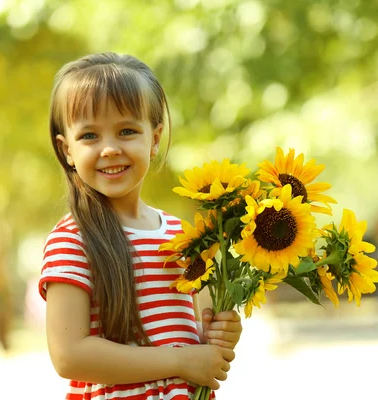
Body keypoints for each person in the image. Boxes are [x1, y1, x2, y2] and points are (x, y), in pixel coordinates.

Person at [38, 52, 243, 400]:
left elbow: (198, 334)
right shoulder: (73, 240)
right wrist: (179, 360)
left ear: (155, 138)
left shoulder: (183, 235)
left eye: (127, 130)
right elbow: (69, 356)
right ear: (67, 149)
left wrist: (223, 333)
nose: (109, 149)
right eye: (89, 136)